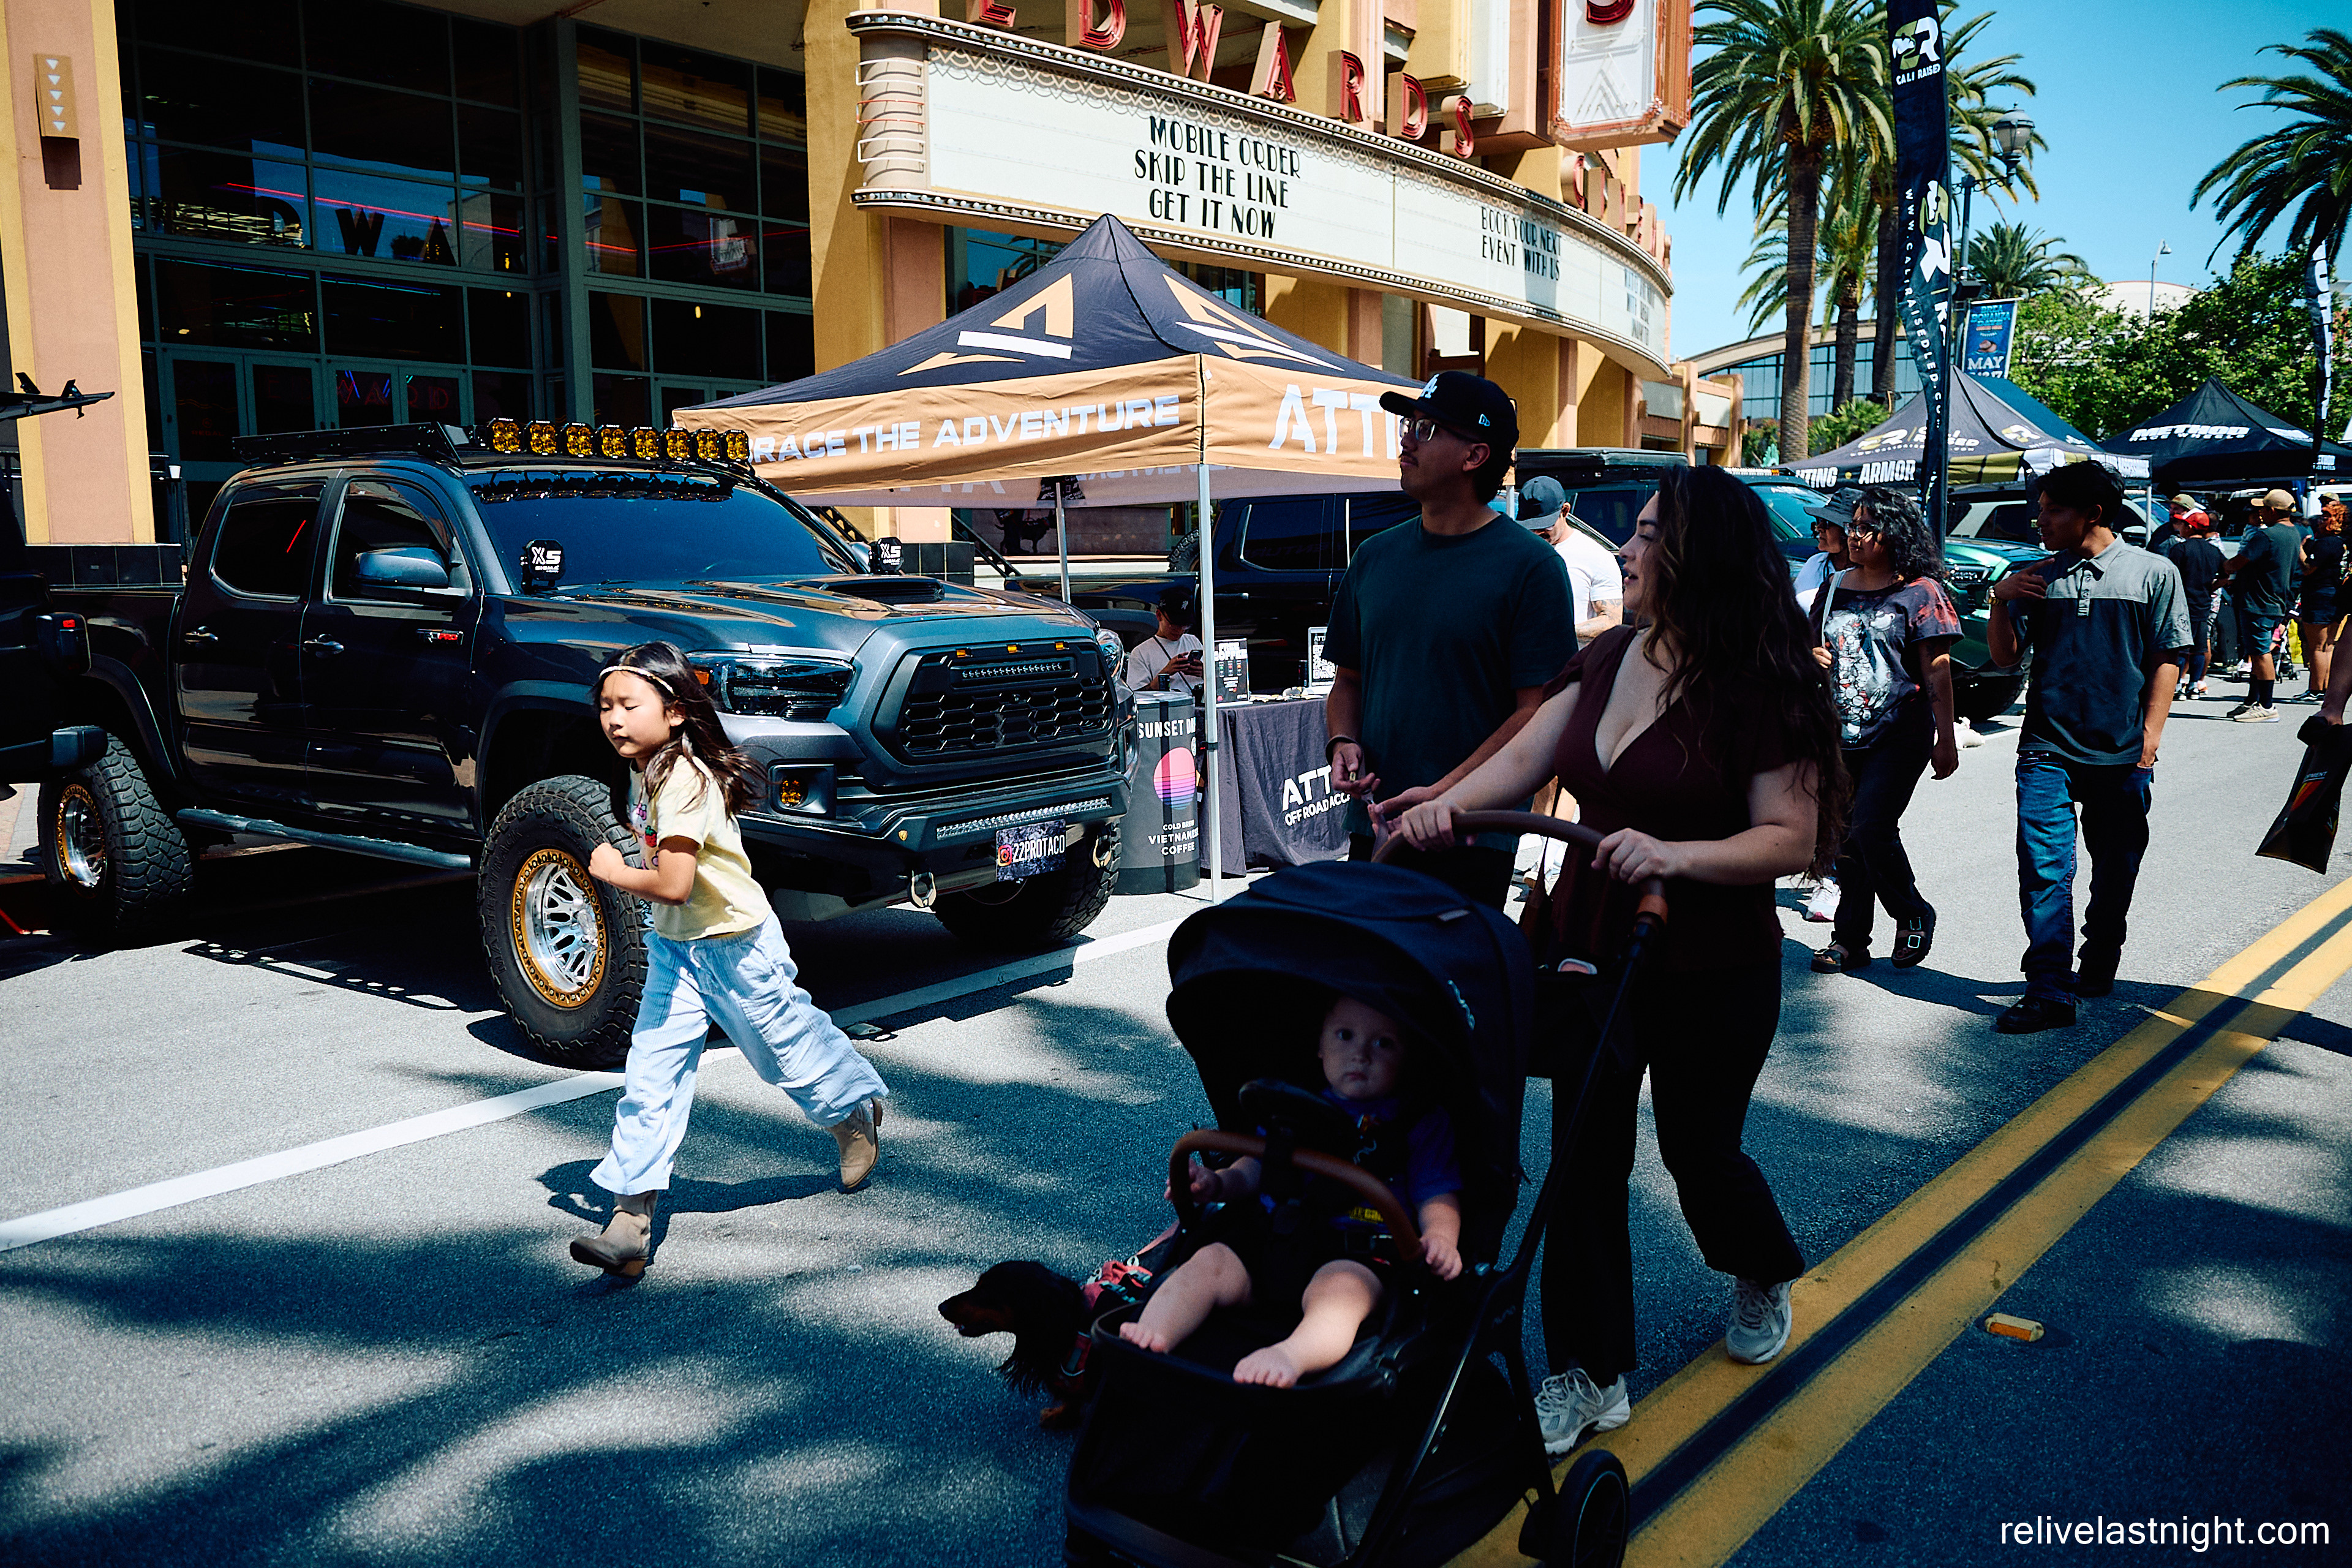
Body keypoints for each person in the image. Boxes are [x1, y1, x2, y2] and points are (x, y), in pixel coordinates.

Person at [1393, 466, 1842, 1455]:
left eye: (1645, 534)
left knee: (1699, 1152)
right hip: (1593, 940)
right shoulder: (1606, 658)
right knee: (1584, 1156)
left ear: (1698, 556)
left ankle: (1760, 1264)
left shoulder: (1765, 683)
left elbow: (1792, 838)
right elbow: (1525, 760)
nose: (1627, 552)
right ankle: (1590, 1371)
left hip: (1713, 957)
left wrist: (1676, 856)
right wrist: (1442, 806)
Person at [571, 641, 893, 1278]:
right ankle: (630, 1223)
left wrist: (612, 870)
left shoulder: (684, 779)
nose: (613, 718)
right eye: (605, 705)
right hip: (675, 949)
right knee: (651, 1079)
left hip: (736, 947)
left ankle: (853, 1113)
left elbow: (674, 884)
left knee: (784, 1053)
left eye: (629, 705)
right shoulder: (644, 768)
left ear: (675, 712)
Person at [1118, 993, 1464, 1387]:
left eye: (1384, 1043)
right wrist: (1218, 1183)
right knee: (1208, 1261)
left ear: (1407, 1057)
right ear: (1320, 1046)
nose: (1361, 1054)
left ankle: (1292, 1355)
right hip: (1273, 1239)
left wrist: (1441, 1237)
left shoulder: (1418, 1123)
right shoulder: (1293, 1104)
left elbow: (1438, 1193)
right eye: (1345, 1035)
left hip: (1359, 1250)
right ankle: (1155, 1329)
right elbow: (1256, 1168)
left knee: (1341, 1296)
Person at [1324, 372, 1575, 907]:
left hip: (1471, 832)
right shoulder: (1374, 556)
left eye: (1427, 428)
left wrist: (1446, 794)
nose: (1406, 438)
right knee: (1365, 957)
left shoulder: (1532, 568)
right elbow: (1349, 680)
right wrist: (1342, 741)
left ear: (1475, 456)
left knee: (1453, 963)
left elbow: (1537, 714)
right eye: (1408, 424)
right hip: (1376, 824)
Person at [1985, 464, 2192, 1034]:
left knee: (2117, 867)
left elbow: (2168, 656)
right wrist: (2001, 600)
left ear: (2093, 514)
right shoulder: (2036, 577)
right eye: (2041, 509)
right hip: (2046, 746)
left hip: (2122, 752)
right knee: (2045, 868)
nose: (2041, 520)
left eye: (2053, 510)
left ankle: (2100, 954)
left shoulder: (2153, 572)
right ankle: (2049, 988)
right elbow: (2005, 658)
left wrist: (2150, 739)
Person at [1806, 486, 1962, 974]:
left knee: (1871, 826)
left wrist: (1946, 739)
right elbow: (1806, 648)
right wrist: (1809, 658)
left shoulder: (1922, 591)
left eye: (1866, 528)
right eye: (1852, 526)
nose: (1854, 536)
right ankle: (1850, 942)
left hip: (1899, 731)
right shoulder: (1834, 586)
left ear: (1894, 533)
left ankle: (1912, 911)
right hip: (1839, 732)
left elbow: (1936, 670)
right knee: (1845, 838)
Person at [2222, 489, 2304, 722]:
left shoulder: (2267, 536)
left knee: (2260, 653)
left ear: (2273, 511)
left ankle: (2267, 706)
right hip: (2274, 600)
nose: (2260, 513)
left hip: (2259, 601)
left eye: (2263, 509)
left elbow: (2239, 562)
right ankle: (2253, 700)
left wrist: (2225, 566)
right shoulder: (2294, 532)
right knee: (2257, 652)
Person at [1520, 475, 1624, 644]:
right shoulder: (1520, 551)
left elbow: (1611, 621)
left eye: (1546, 525)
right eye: (1531, 526)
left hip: (1575, 659)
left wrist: (1558, 632)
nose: (1538, 532)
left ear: (1565, 511)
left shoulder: (1595, 556)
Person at [2163, 511, 2225, 700]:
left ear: (2190, 527)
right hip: (2203, 605)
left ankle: (2178, 686)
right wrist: (2212, 587)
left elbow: (2170, 577)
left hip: (2181, 605)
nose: (2179, 528)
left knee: (2180, 648)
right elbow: (2227, 575)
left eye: (2182, 524)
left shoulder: (2180, 550)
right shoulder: (2213, 551)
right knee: (2199, 648)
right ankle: (2194, 686)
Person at [2295, 497, 2345, 703]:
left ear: (2335, 520)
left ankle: (2316, 690)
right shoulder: (2341, 543)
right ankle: (2325, 690)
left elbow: (2308, 568)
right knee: (2328, 646)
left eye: (2326, 516)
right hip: (2335, 596)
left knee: (2317, 646)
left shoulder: (2325, 544)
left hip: (2319, 596)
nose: (2320, 520)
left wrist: (2300, 548)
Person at [1123, 586, 1205, 697]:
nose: (1180, 631)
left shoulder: (1193, 640)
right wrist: (1165, 674)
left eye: (1185, 626)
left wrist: (1203, 673)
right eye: (1174, 625)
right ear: (1159, 615)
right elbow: (1135, 696)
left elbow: (1218, 680)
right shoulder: (1141, 653)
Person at [1792, 488, 1860, 614]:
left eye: (1827, 523)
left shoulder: (1869, 573)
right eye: (1819, 521)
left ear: (1849, 531)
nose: (1819, 528)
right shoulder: (1815, 563)